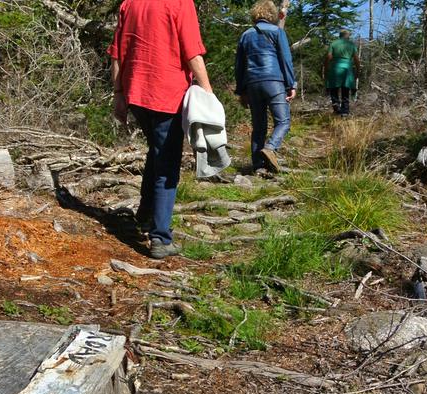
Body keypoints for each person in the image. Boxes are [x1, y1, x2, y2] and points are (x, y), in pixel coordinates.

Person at [108, 0, 213, 259]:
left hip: (136, 92)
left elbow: (117, 54)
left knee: (157, 152)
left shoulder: (130, 4)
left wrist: (118, 94)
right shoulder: (180, 3)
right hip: (167, 93)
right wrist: (208, 92)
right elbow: (192, 53)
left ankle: (145, 215)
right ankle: (160, 238)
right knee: (166, 165)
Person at [235, 0, 297, 175]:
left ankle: (258, 166)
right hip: (274, 82)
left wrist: (241, 90)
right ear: (271, 14)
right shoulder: (277, 32)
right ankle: (271, 147)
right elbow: (285, 60)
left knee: (259, 126)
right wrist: (291, 84)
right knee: (283, 121)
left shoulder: (245, 35)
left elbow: (239, 66)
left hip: (253, 84)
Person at [323, 29, 361, 117]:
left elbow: (329, 57)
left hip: (335, 68)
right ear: (348, 36)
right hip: (347, 69)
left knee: (334, 89)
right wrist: (358, 71)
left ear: (340, 35)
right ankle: (345, 111)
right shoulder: (351, 44)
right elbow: (356, 59)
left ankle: (337, 109)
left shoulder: (334, 43)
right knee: (345, 89)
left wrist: (325, 68)